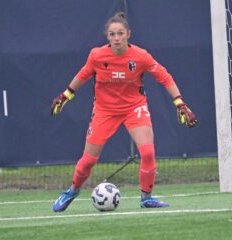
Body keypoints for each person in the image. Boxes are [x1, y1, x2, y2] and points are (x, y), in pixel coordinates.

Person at [50, 12, 197, 212]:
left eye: (120, 33)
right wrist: (66, 95)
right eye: (112, 34)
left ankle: (146, 197)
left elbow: (164, 76)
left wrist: (179, 103)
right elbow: (83, 74)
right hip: (104, 110)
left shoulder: (141, 56)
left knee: (147, 152)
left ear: (128, 34)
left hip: (134, 107)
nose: (116, 38)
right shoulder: (97, 55)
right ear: (107, 36)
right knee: (88, 161)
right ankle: (72, 191)